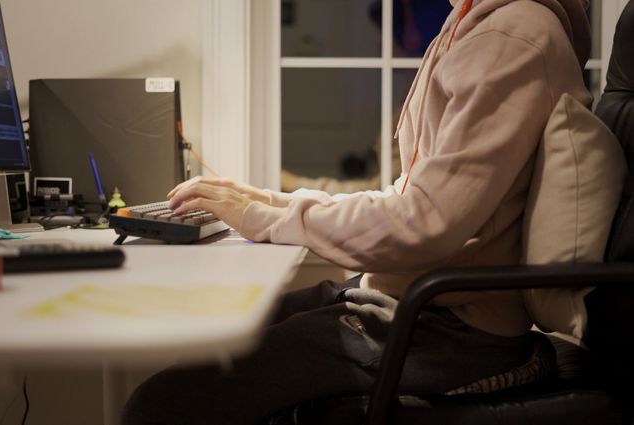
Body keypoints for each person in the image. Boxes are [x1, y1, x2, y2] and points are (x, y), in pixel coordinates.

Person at [122, 0, 592, 423]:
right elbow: (408, 197)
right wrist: (265, 201)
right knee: (220, 333)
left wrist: (269, 218)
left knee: (159, 405)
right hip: (416, 300)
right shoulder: (472, 26)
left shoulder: (508, 38)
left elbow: (424, 222)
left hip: (450, 326)